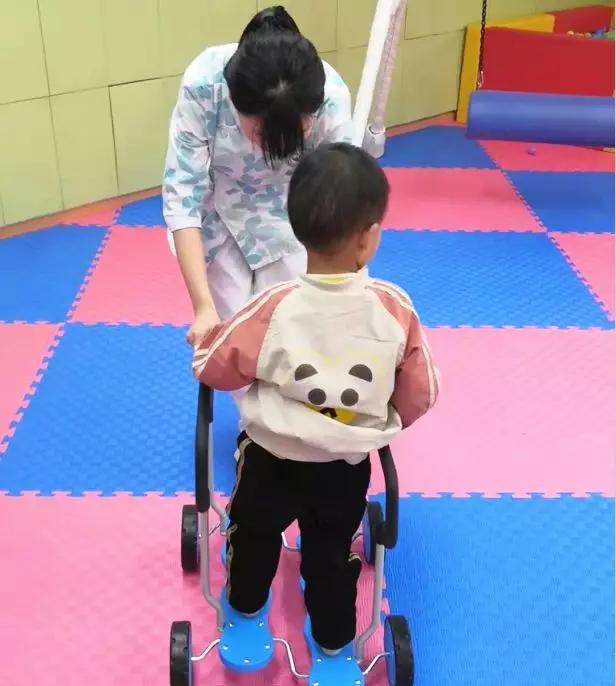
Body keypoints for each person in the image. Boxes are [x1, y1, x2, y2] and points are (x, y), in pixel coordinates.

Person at [192, 143, 439, 656]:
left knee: (252, 534)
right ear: (369, 238)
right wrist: (387, 416)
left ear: (296, 227)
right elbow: (422, 391)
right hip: (342, 467)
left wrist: (202, 344)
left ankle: (244, 610)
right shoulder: (394, 309)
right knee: (329, 554)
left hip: (269, 458)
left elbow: (217, 366)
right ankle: (333, 643)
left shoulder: (273, 306)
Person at [163, 6, 353, 352]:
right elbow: (183, 196)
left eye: (290, 134)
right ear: (236, 105)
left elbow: (339, 201)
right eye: (260, 134)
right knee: (234, 337)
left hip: (292, 210)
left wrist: (332, 287)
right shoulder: (204, 85)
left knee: (297, 329)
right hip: (217, 210)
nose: (269, 147)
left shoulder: (330, 101)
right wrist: (203, 308)